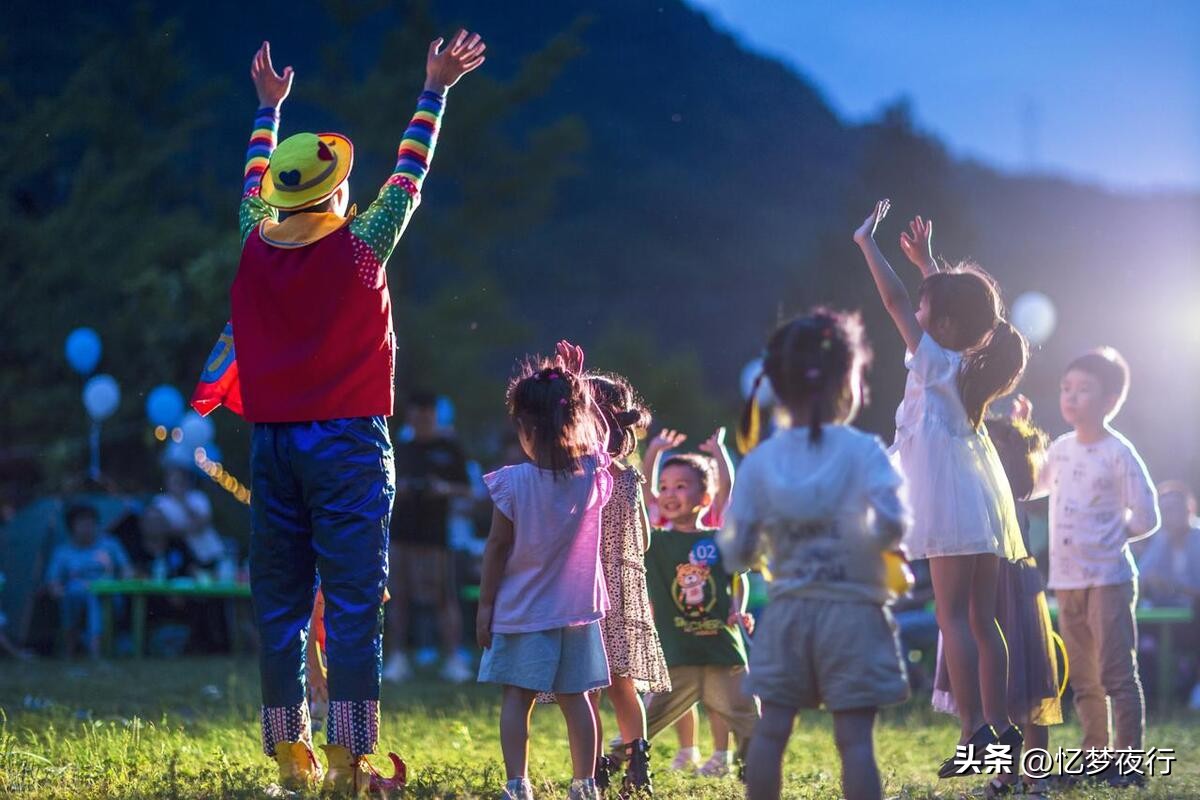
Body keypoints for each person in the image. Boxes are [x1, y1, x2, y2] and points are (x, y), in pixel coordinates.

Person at [197, 33, 486, 794]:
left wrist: (267, 110)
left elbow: (252, 179)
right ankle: (350, 762)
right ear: (334, 198)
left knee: (280, 602)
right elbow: (409, 174)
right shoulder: (362, 247)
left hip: (272, 444)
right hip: (350, 443)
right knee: (355, 601)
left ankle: (290, 757)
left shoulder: (252, 243)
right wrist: (435, 90)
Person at [855, 203, 1028, 776]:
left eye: (927, 309)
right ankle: (998, 725)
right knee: (982, 619)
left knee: (951, 616)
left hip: (949, 501)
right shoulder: (962, 366)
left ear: (945, 324)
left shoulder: (934, 362)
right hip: (977, 500)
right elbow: (943, 306)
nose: (916, 312)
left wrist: (867, 243)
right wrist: (929, 263)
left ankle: (974, 729)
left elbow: (894, 301)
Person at [720, 309, 910, 800]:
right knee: (855, 741)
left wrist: (760, 552)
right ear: (848, 382)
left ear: (778, 387)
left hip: (788, 613)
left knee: (770, 733)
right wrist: (871, 545)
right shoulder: (864, 450)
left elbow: (736, 549)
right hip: (855, 613)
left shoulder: (761, 460)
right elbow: (892, 523)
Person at [475, 346, 613, 800]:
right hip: (575, 612)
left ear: (527, 430)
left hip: (523, 610)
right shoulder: (589, 477)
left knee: (518, 697)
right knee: (577, 699)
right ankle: (584, 784)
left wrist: (486, 606)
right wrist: (578, 386)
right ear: (574, 420)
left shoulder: (513, 483)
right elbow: (603, 440)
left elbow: (497, 548)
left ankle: (518, 784)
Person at [1031, 347, 1159, 785]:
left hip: (1108, 579)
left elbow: (1147, 515)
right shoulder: (1060, 450)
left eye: (1084, 390)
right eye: (1066, 388)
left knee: (1116, 674)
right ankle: (1095, 755)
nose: (1071, 397)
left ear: (1110, 401)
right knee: (1084, 679)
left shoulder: (1118, 452)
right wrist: (1021, 436)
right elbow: (1031, 487)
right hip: (1066, 581)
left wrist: (1111, 536)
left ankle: (1128, 763)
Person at [933, 409, 1064, 798]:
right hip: (1007, 592)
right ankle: (1011, 776)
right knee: (1012, 690)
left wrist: (1018, 434)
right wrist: (1018, 433)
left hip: (1007, 594)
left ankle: (1031, 775)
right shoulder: (1003, 492)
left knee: (1023, 687)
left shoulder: (997, 495)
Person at [570, 365, 670, 795]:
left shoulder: (574, 476)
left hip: (583, 591)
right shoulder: (628, 477)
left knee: (587, 686)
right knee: (623, 684)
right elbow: (643, 540)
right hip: (622, 592)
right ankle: (637, 767)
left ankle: (592, 767)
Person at [643, 447, 760, 778]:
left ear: (704, 498)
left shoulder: (720, 539)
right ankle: (624, 757)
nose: (669, 494)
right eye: (664, 487)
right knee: (649, 715)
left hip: (720, 645)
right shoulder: (657, 541)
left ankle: (748, 763)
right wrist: (653, 453)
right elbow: (645, 495)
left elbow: (738, 577)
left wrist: (738, 610)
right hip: (675, 648)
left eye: (681, 486)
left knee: (744, 711)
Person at [384, 391, 473, 684]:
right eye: (417, 415)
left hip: (436, 535)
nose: (423, 421)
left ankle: (453, 659)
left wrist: (443, 489)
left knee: (444, 596)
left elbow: (467, 490)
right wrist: (402, 489)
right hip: (402, 533)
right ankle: (398, 658)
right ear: (410, 417)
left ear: (435, 416)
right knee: (398, 595)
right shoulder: (399, 448)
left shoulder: (450, 448)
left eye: (428, 415)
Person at [1137, 481, 1200, 708]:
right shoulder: (1161, 540)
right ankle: (1151, 694)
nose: (1169, 516)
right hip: (1166, 614)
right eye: (1164, 510)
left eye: (1174, 509)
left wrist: (1175, 587)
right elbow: (1141, 577)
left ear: (1188, 509)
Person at [45, 503, 133, 658]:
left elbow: (126, 569)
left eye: (91, 523)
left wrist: (124, 580)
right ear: (72, 527)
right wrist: (58, 591)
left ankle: (95, 650)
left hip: (109, 595)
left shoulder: (110, 545)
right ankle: (75, 648)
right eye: (82, 524)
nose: (87, 528)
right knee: (77, 596)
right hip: (74, 597)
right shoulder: (63, 552)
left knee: (94, 597)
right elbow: (53, 581)